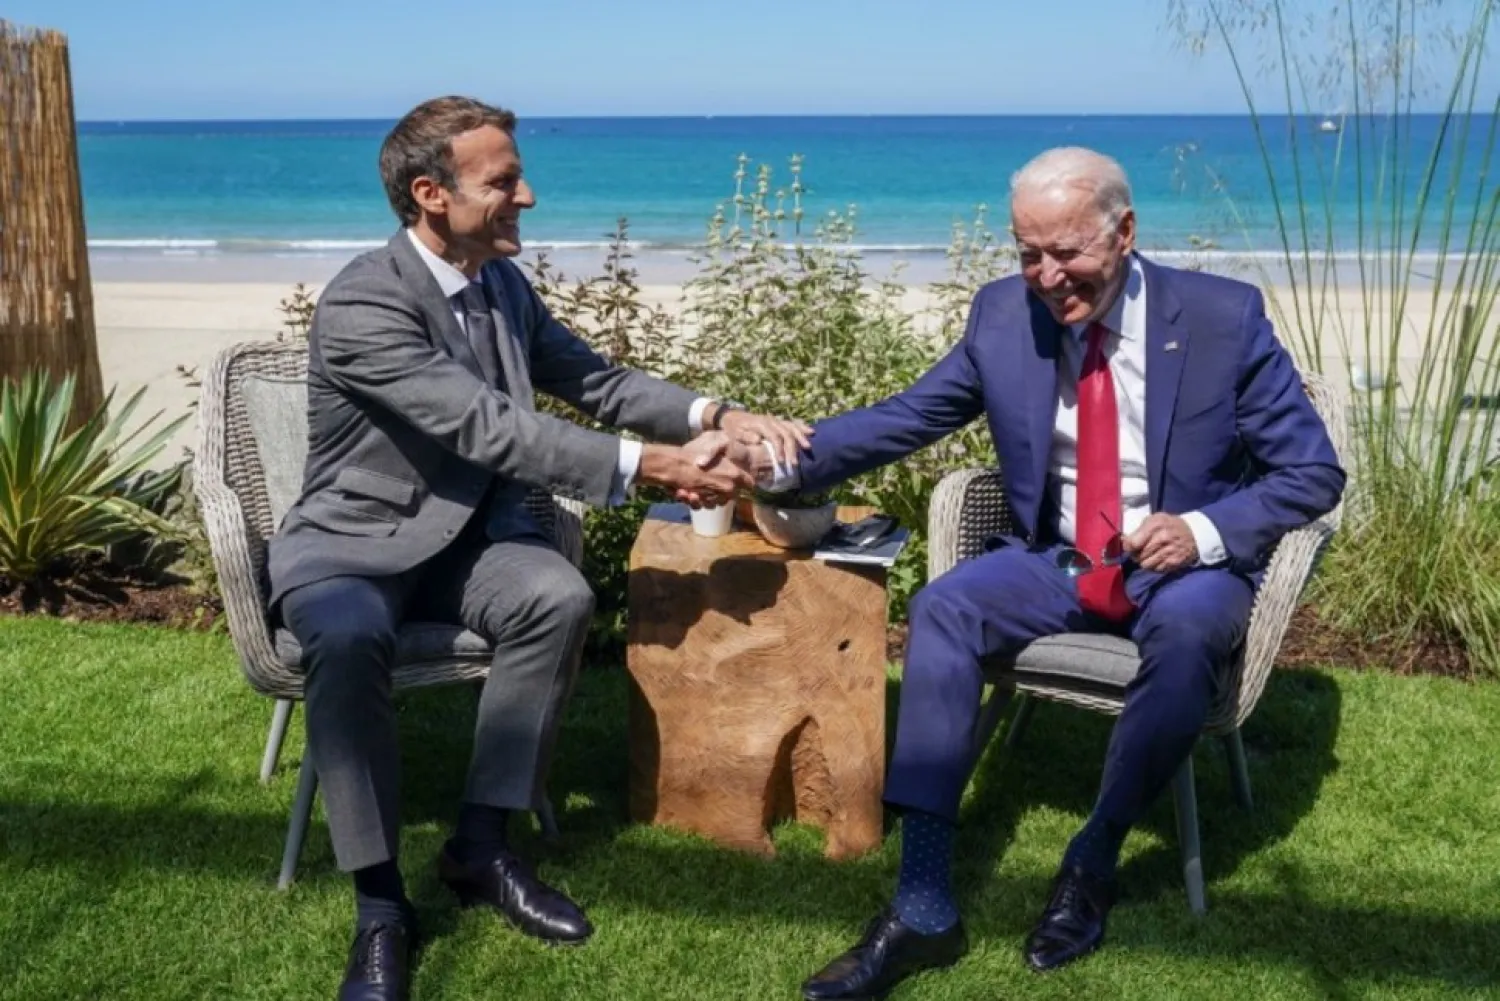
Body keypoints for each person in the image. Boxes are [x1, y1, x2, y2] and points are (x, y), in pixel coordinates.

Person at [752, 147, 1345, 999]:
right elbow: (910, 416)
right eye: (1028, 252)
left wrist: (1206, 530)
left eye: (1066, 252)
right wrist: (778, 461)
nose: (1046, 275)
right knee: (945, 608)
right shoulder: (1003, 315)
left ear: (1126, 231)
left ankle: (1092, 859)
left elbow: (1312, 473)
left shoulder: (1223, 318)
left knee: (1184, 639)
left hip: (1181, 569)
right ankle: (921, 904)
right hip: (1055, 561)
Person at [267, 95, 800, 1001]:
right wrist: (658, 466)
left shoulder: (500, 284)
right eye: (504, 181)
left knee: (555, 596)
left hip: (467, 546)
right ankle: (380, 904)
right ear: (431, 193)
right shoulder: (365, 301)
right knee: (349, 638)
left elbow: (589, 376)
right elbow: (489, 429)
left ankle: (481, 846)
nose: (529, 195)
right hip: (352, 548)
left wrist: (715, 414)